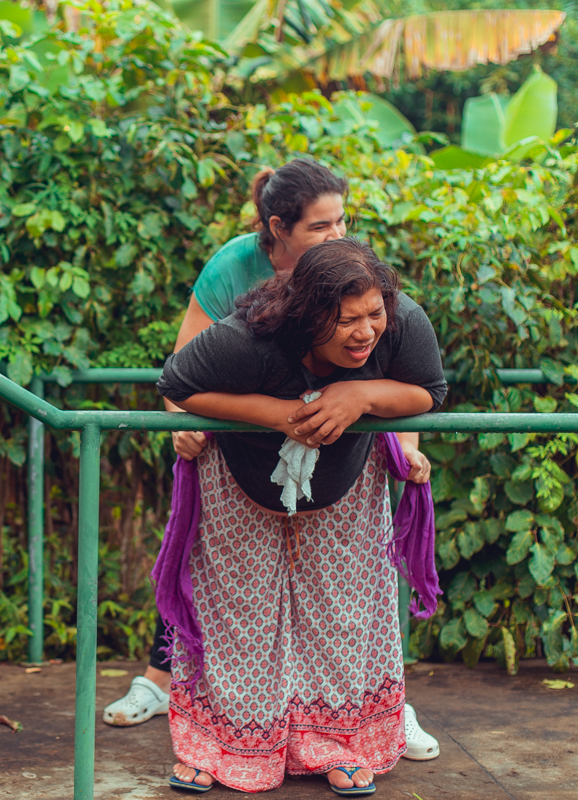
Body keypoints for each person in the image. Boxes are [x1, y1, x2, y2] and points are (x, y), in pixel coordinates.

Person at [103, 159, 440, 764]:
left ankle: (355, 728)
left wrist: (371, 410)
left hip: (342, 463)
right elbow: (181, 375)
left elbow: (416, 385)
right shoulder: (243, 292)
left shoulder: (370, 293)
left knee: (343, 605)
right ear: (279, 228)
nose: (336, 236)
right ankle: (212, 724)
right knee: (231, 595)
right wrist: (268, 415)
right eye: (320, 226)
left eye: (343, 223)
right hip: (241, 456)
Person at [155, 237, 446, 794]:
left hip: (346, 483)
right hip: (240, 479)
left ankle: (332, 743)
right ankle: (217, 744)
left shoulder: (401, 320)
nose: (366, 332)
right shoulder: (249, 339)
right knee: (238, 610)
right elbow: (177, 383)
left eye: (373, 315)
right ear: (309, 317)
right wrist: (281, 414)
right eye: (347, 321)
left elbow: (428, 391)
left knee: (342, 612)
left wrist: (359, 397)